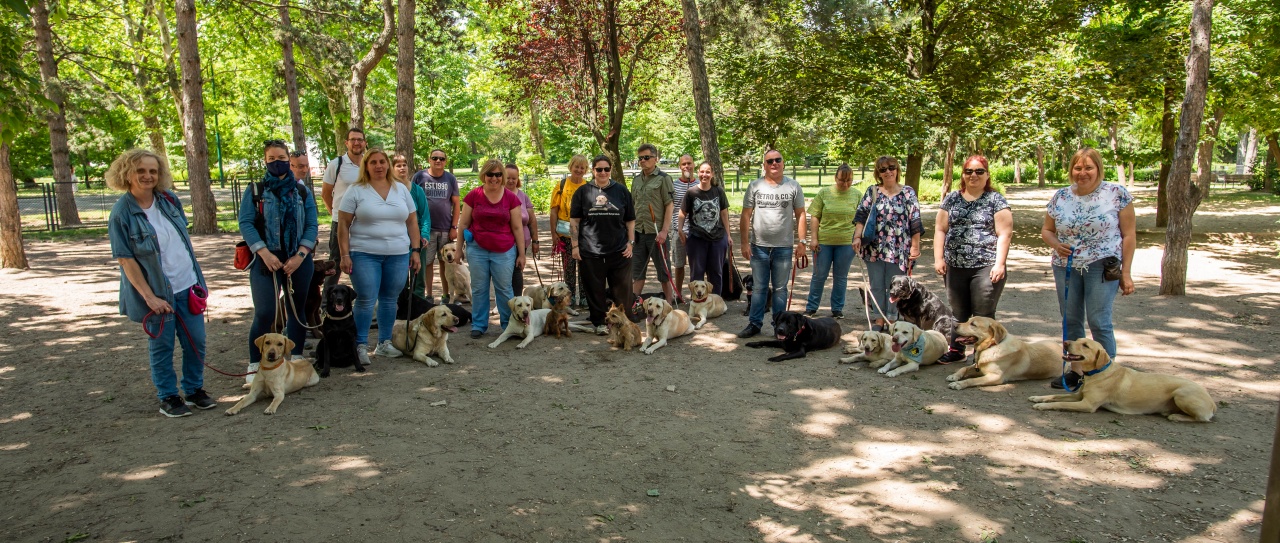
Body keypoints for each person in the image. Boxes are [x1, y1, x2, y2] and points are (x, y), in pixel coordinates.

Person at [106, 149, 214, 417]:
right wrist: (150, 298)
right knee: (162, 346)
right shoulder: (122, 213)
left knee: (196, 342)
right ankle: (167, 396)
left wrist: (197, 282)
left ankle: (194, 390)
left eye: (153, 171)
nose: (147, 176)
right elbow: (126, 261)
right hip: (157, 294)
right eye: (140, 171)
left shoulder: (168, 200)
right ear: (127, 173)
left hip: (188, 285)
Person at [1042, 147, 1135, 389]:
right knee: (1070, 318)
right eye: (1078, 168)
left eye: (1088, 168)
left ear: (1098, 169)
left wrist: (1126, 274)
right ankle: (1076, 371)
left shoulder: (1116, 194)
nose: (1083, 173)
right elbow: (1047, 230)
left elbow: (1129, 234)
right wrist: (1055, 244)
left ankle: (1107, 373)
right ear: (1071, 169)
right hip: (1066, 265)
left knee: (1098, 320)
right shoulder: (1060, 196)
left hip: (1102, 265)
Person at [239, 140, 320, 380]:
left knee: (297, 310)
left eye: (281, 158)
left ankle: (293, 359)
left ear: (289, 159)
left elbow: (312, 224)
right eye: (272, 159)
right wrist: (263, 252)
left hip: (298, 259)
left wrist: (300, 255)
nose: (277, 163)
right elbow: (246, 223)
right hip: (265, 259)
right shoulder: (256, 190)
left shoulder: (302, 191)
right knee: (265, 312)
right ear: (265, 161)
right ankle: (255, 364)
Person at [337, 149, 422, 365]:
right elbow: (343, 224)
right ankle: (360, 345)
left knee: (390, 299)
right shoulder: (356, 190)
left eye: (382, 161)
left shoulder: (401, 189)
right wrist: (345, 254)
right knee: (365, 298)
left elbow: (412, 221)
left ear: (388, 165)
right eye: (373, 162)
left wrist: (415, 250)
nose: (378, 166)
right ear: (366, 166)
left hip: (398, 253)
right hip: (364, 253)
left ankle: (384, 343)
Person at [933, 155, 1012, 363]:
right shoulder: (952, 198)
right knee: (958, 312)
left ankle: (985, 354)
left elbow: (1005, 233)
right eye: (969, 171)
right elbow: (940, 229)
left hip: (985, 266)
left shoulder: (996, 200)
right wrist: (939, 258)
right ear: (963, 175)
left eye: (979, 171)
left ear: (987, 175)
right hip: (955, 265)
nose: (973, 176)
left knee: (983, 314)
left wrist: (1000, 263)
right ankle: (957, 350)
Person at [738, 149, 806, 338]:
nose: (774, 164)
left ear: (783, 163)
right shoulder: (755, 186)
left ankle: (780, 327)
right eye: (769, 161)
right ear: (764, 165)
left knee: (780, 288)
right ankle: (754, 324)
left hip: (783, 246)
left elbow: (800, 214)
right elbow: (745, 215)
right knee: (759, 287)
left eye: (777, 160)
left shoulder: (793, 186)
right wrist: (744, 243)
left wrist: (802, 242)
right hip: (758, 246)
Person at [456, 159, 526, 338]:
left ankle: (508, 324)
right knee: (479, 288)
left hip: (504, 250)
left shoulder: (511, 198)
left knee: (504, 288)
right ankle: (479, 324)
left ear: (502, 176)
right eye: (490, 174)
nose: (494, 178)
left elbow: (517, 227)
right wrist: (458, 250)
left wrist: (522, 254)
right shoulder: (474, 195)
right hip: (477, 248)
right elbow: (463, 224)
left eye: (498, 174)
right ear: (483, 175)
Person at [853, 155, 923, 332]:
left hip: (899, 248)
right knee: (876, 285)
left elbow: (915, 221)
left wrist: (915, 246)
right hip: (874, 248)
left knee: (896, 286)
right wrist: (857, 237)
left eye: (891, 167)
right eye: (883, 169)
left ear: (897, 169)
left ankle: (892, 319)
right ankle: (879, 319)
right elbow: (861, 215)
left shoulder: (908, 192)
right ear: (878, 173)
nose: (888, 172)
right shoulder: (873, 191)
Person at [571, 155, 636, 335]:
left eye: (606, 169)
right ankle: (599, 322)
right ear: (593, 170)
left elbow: (630, 220)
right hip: (590, 251)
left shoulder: (621, 191)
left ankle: (624, 323)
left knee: (622, 291)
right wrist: (575, 246)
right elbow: (575, 221)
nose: (603, 172)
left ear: (610, 170)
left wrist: (631, 243)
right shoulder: (583, 192)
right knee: (595, 290)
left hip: (620, 250)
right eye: (599, 169)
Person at [803, 164, 859, 320]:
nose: (845, 184)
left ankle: (837, 309)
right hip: (824, 242)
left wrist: (858, 238)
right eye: (842, 180)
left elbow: (861, 219)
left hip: (846, 243)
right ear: (836, 178)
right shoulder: (824, 193)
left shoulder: (857, 195)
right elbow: (815, 216)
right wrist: (813, 238)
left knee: (841, 277)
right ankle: (811, 307)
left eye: (849, 180)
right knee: (819, 275)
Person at [412, 149, 461, 304]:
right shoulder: (419, 177)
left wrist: (454, 227)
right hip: (426, 230)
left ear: (445, 161)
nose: (438, 161)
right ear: (429, 159)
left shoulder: (450, 179)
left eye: (441, 158)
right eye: (435, 158)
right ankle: (429, 295)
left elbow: (456, 204)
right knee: (426, 263)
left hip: (445, 229)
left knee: (445, 263)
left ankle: (446, 296)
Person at [320, 128, 366, 292]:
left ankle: (364, 303)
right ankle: (326, 306)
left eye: (360, 139)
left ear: (365, 143)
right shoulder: (337, 164)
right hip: (341, 225)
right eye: (353, 139)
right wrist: (337, 214)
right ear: (346, 143)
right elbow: (325, 193)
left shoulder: (369, 165)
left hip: (364, 225)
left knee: (363, 265)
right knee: (335, 265)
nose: (356, 143)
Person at [678, 161, 732, 295]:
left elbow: (724, 213)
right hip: (697, 238)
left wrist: (729, 235)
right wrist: (680, 229)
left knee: (716, 272)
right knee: (697, 272)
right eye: (702, 171)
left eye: (708, 172)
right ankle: (697, 302)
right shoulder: (691, 193)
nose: (704, 174)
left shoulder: (718, 191)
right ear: (698, 173)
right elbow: (682, 212)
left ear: (712, 174)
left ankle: (715, 301)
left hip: (718, 238)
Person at [630, 143, 675, 303]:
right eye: (640, 158)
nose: (643, 161)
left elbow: (669, 204)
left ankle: (669, 303)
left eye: (646, 157)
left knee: (664, 272)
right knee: (637, 271)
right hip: (638, 234)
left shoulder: (663, 179)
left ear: (655, 159)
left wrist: (664, 230)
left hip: (657, 234)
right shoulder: (636, 180)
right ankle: (634, 304)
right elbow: (632, 206)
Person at [548, 155, 589, 307]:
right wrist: (554, 234)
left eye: (582, 167)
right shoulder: (561, 185)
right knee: (568, 268)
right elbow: (553, 211)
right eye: (576, 166)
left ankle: (585, 297)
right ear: (571, 167)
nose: (579, 170)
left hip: (584, 235)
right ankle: (569, 297)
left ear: (586, 170)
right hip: (564, 234)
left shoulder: (589, 186)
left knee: (585, 267)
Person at [393, 154, 432, 297]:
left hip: (417, 239)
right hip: (397, 239)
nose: (402, 168)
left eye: (404, 164)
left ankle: (418, 305)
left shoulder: (417, 190)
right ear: (391, 169)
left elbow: (425, 215)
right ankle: (401, 307)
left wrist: (425, 234)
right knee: (400, 277)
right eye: (398, 165)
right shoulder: (389, 190)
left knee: (418, 275)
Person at [505, 163, 539, 294]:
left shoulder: (523, 196)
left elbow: (532, 220)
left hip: (522, 240)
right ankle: (502, 301)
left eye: (514, 178)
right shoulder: (498, 194)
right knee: (503, 273)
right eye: (508, 177)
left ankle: (518, 299)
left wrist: (535, 241)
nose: (511, 181)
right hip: (503, 240)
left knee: (516, 270)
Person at [670, 154, 697, 302]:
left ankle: (696, 295)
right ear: (680, 167)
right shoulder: (673, 185)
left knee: (696, 265)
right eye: (683, 164)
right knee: (679, 265)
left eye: (689, 163)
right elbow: (670, 207)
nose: (687, 166)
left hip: (696, 231)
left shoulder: (700, 183)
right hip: (677, 230)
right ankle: (678, 294)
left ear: (694, 165)